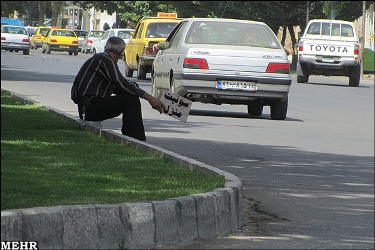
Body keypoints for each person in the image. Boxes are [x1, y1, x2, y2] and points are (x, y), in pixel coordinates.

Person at [71, 36, 166, 141]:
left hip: (87, 107)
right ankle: (135, 139)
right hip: (90, 108)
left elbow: (120, 87)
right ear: (120, 52)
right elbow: (121, 83)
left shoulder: (99, 58)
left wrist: (135, 89)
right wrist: (149, 98)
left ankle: (133, 137)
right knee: (131, 100)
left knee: (132, 92)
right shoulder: (105, 60)